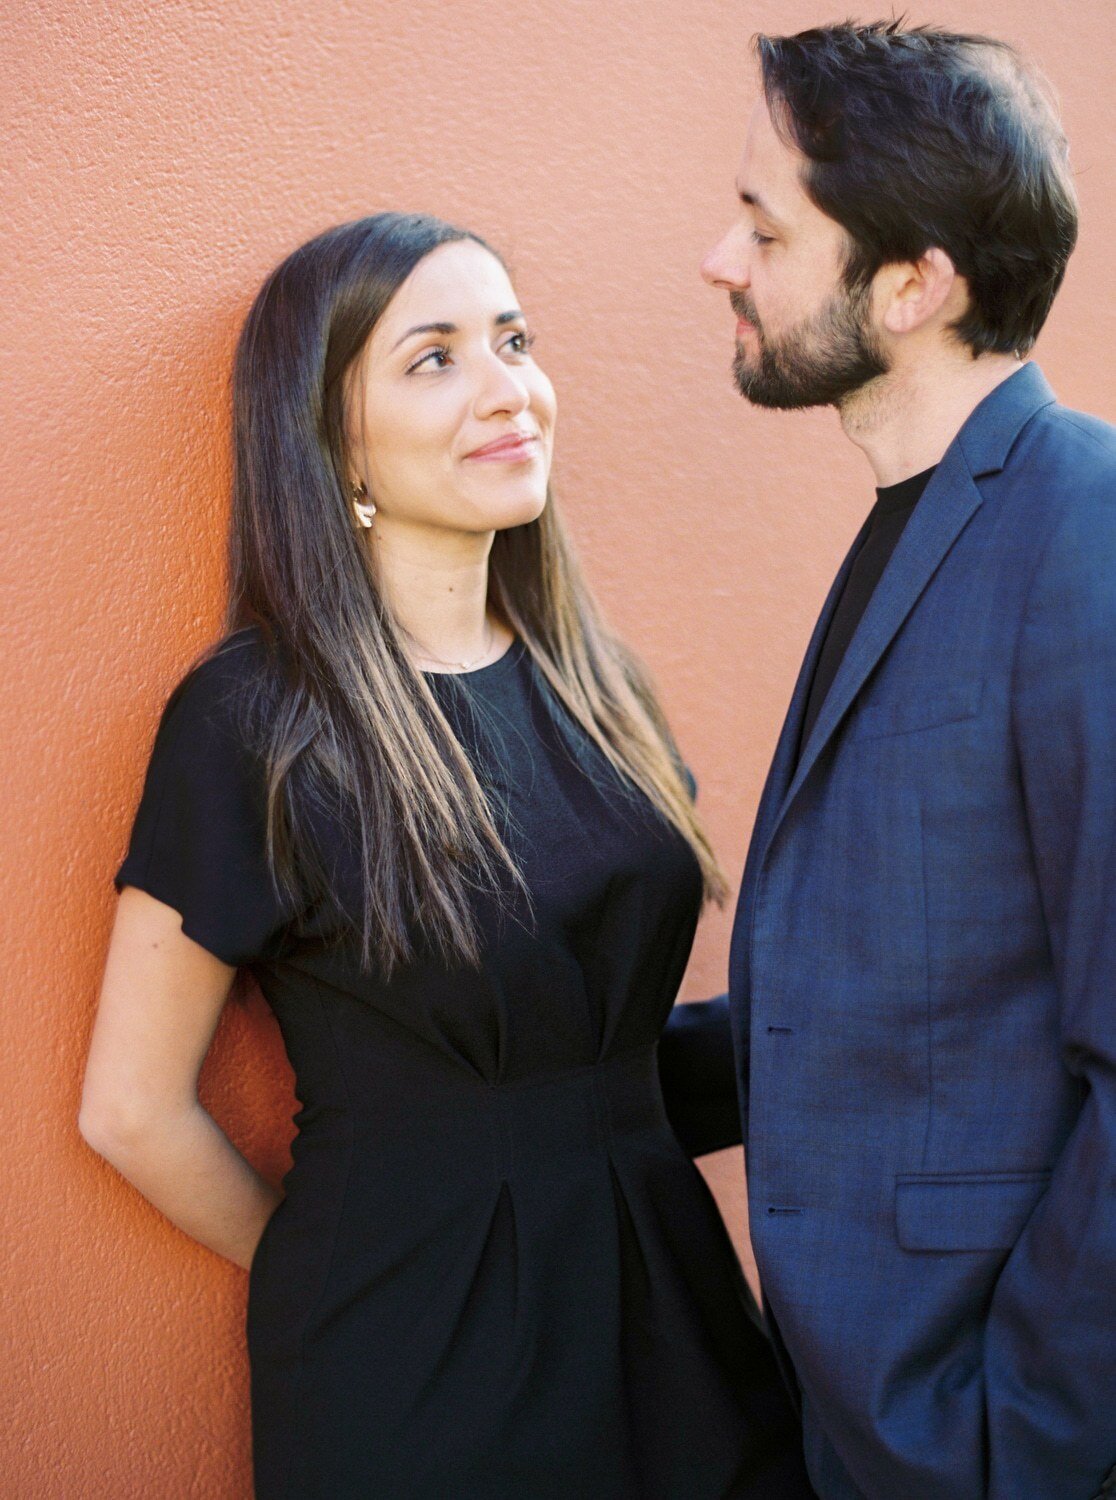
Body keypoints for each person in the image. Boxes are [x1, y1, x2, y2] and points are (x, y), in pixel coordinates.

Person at [79, 213, 813, 1499]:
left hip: (675, 1322)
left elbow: (605, 1054)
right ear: (332, 436)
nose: (508, 389)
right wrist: (359, 1267)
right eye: (435, 358)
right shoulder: (256, 722)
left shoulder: (594, 683)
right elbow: (130, 1108)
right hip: (420, 1374)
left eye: (513, 341)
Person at [699, 20, 1116, 1500]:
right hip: (851, 1414)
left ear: (916, 282)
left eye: (765, 224)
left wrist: (1024, 1443)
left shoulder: (1085, 529)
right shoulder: (919, 517)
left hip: (983, 1435)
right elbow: (895, 993)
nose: (721, 261)